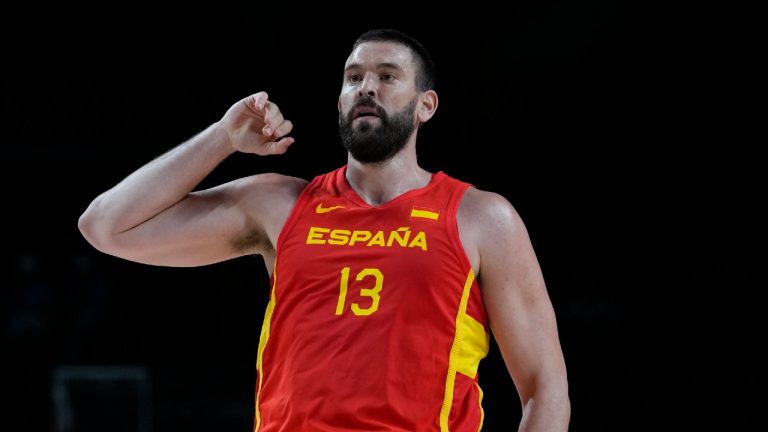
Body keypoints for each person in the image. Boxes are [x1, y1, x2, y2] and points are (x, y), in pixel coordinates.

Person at [78, 28, 570, 431]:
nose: (366, 87)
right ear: (339, 101)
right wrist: (222, 139)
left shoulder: (481, 217)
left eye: (387, 76)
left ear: (426, 105)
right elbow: (107, 226)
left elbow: (545, 391)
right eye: (353, 77)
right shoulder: (281, 204)